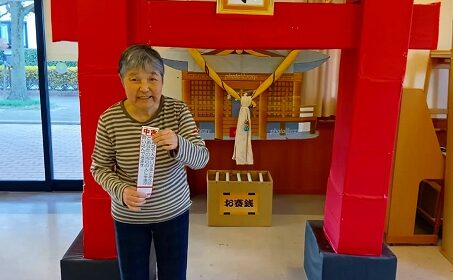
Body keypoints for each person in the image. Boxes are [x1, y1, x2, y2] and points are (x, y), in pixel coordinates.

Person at [91, 44, 209, 280]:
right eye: (135, 79)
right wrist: (121, 190)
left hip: (173, 212)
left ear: (162, 80)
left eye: (152, 78)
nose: (144, 88)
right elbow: (99, 167)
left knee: (174, 275)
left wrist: (178, 143)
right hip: (129, 217)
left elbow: (202, 159)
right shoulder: (109, 119)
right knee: (133, 275)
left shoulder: (177, 111)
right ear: (121, 80)